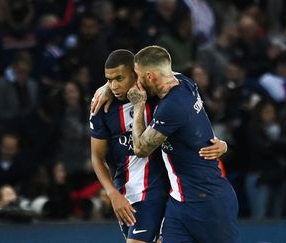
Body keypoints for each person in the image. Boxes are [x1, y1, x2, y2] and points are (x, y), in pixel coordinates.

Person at [90, 49, 227, 243]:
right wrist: (112, 193)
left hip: (167, 191)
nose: (114, 86)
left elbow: (190, 119)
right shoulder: (101, 108)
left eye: (119, 78)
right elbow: (97, 157)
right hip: (131, 193)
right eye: (109, 80)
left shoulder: (159, 93)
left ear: (137, 74)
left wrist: (219, 142)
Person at [127, 45, 238, 243]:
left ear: (150, 76)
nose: (136, 82)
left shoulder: (172, 106)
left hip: (208, 202)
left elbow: (140, 148)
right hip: (180, 203)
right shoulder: (185, 82)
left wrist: (138, 105)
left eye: (138, 76)